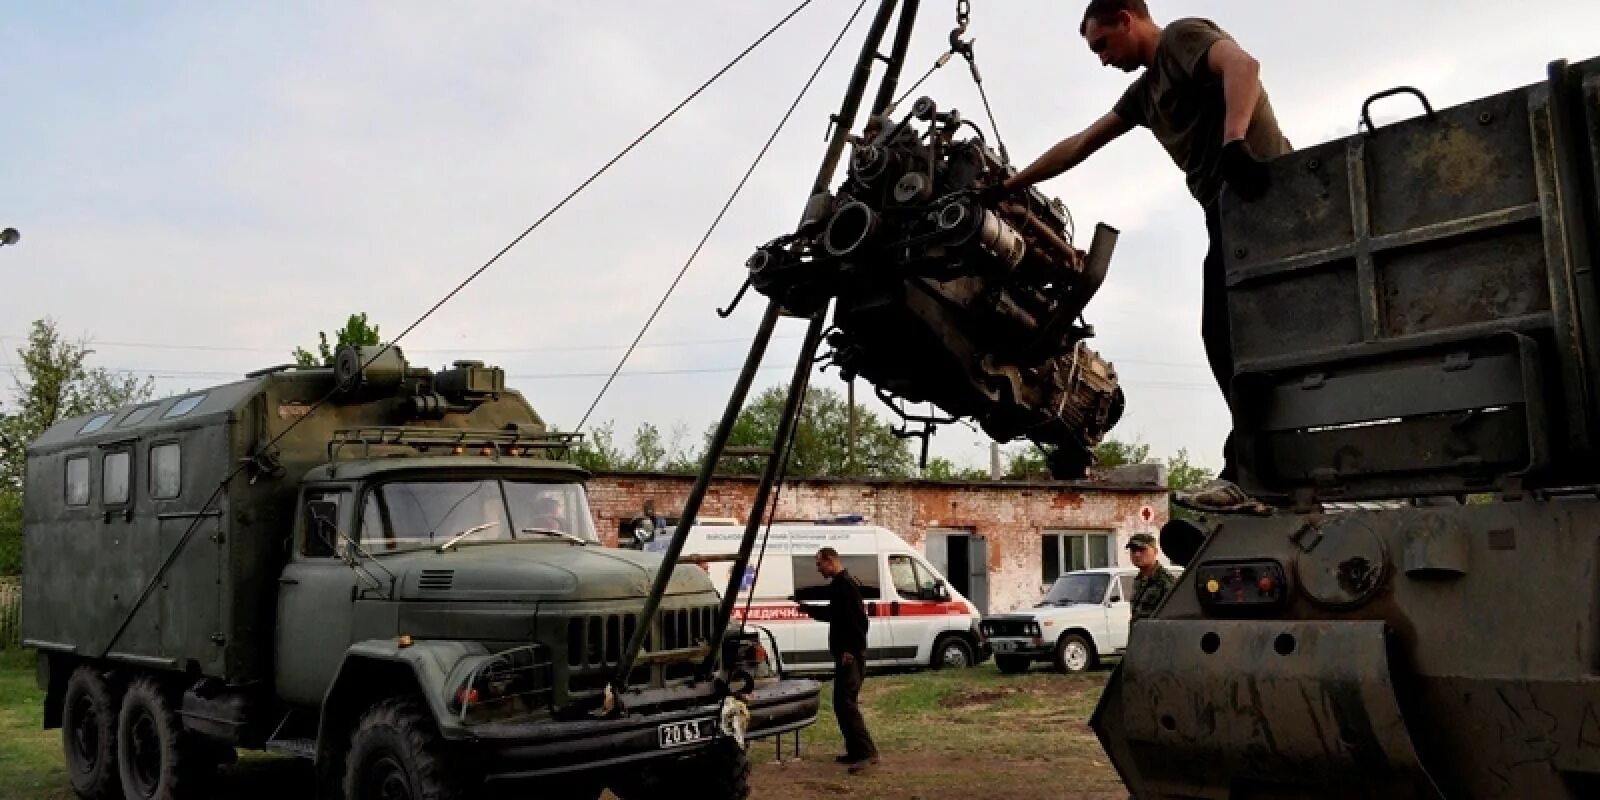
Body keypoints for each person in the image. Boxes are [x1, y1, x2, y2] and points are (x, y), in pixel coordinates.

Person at [990, 0, 1289, 514]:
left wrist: (1236, 141)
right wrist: (1011, 185)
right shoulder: (1145, 93)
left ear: (1128, 19)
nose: (1103, 59)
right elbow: (1082, 142)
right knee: (1226, 339)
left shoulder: (1180, 39)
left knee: (1231, 337)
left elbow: (1244, 66)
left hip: (1262, 194)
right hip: (1227, 213)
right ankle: (1256, 467)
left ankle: (1255, 470)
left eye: (1103, 44)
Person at [793, 547, 878, 773]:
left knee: (847, 704)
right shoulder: (839, 585)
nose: (818, 569)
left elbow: (860, 623)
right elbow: (835, 614)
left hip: (851, 656)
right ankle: (855, 751)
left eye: (820, 564)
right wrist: (808, 610)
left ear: (830, 561)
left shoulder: (847, 585)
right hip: (844, 655)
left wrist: (851, 650)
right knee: (841, 705)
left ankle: (867, 753)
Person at [1126, 533, 1176, 621]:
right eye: (1133, 550)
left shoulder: (1166, 581)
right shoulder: (1139, 580)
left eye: (1142, 550)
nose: (1137, 554)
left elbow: (1172, 618)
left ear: (1155, 552)